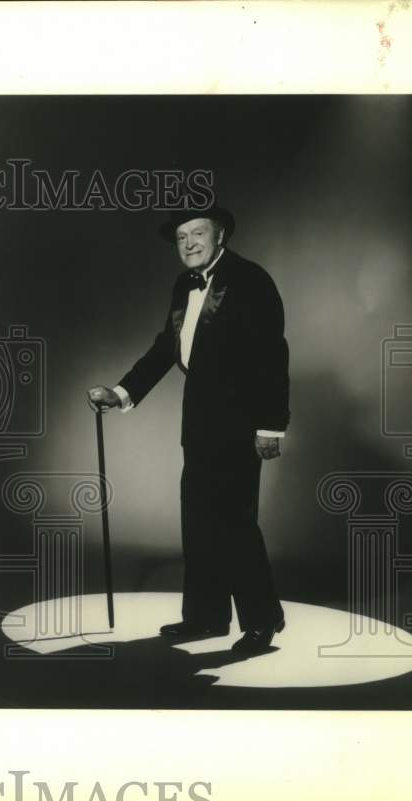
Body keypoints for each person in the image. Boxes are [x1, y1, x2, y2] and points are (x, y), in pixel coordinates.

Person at [88, 204, 289, 654]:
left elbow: (271, 355)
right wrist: (120, 392)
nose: (190, 243)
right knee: (198, 522)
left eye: (198, 233)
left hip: (241, 422)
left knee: (234, 522)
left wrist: (271, 425)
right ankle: (205, 617)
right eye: (182, 238)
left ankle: (263, 619)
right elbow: (167, 347)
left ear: (221, 236)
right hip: (197, 419)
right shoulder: (184, 284)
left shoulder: (252, 279)